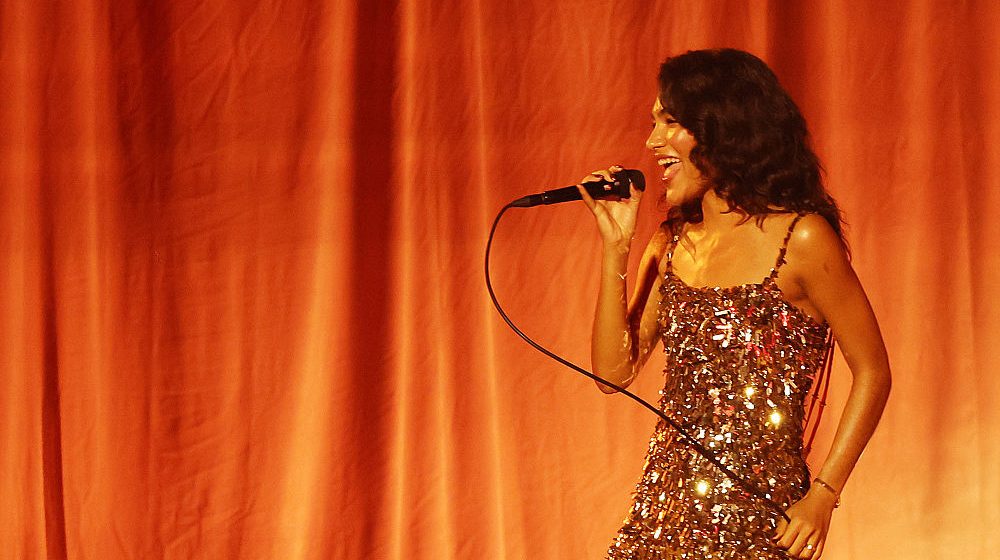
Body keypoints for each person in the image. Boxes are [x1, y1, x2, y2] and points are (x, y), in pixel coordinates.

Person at [575, 49, 891, 559]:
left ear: (723, 126)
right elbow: (613, 373)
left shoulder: (802, 238)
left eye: (670, 122)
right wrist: (617, 247)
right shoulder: (672, 242)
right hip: (661, 522)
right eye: (653, 123)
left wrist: (824, 495)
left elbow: (873, 369)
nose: (652, 142)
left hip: (761, 526)